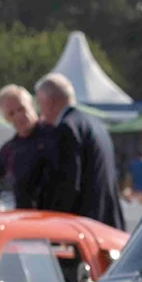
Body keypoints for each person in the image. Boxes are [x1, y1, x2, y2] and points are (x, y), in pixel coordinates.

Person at [34, 73, 123, 229]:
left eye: (39, 103)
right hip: (108, 220)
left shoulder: (67, 128)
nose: (40, 111)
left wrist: (55, 225)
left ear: (50, 102)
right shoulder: (94, 123)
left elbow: (68, 183)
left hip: (86, 226)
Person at [0, 84, 54, 209]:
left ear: (32, 105)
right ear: (6, 119)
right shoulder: (10, 149)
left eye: (22, 109)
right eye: (11, 113)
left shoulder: (54, 135)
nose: (19, 116)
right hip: (25, 217)